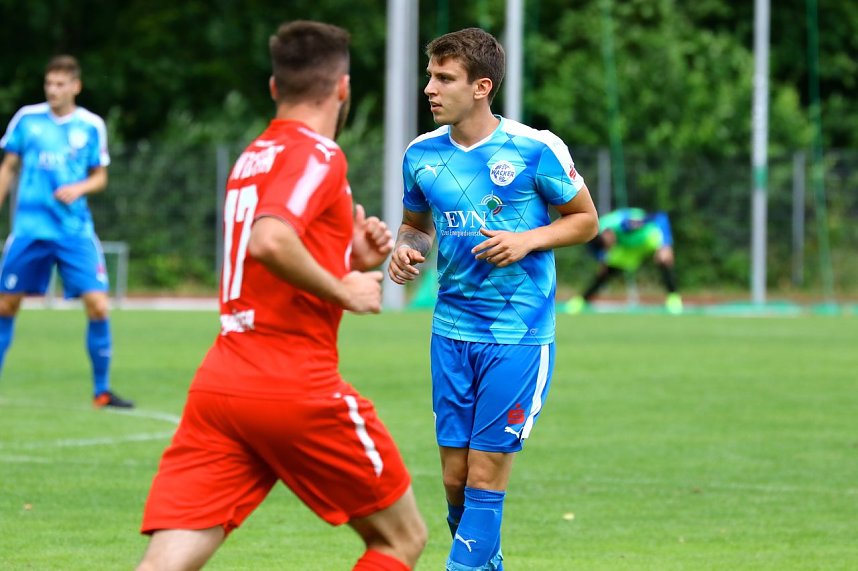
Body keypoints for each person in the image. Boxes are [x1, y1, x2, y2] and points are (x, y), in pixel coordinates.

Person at [136, 21, 426, 571]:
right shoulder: (318, 154)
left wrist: (348, 258)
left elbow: (270, 247)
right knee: (401, 539)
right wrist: (344, 287)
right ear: (342, 88)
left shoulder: (253, 156)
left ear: (274, 87)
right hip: (292, 382)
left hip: (222, 383)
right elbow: (270, 240)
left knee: (165, 563)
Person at [388, 27, 598, 571]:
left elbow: (585, 221)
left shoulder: (536, 149)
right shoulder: (421, 155)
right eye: (430, 76)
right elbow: (415, 227)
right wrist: (404, 251)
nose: (430, 89)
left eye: (444, 78)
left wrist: (528, 238)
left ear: (481, 86)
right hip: (450, 333)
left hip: (518, 337)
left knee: (486, 473)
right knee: (455, 478)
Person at [0, 55, 133, 408]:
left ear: (76, 86)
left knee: (99, 305)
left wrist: (79, 188)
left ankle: (101, 393)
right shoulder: (27, 120)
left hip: (74, 231)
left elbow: (100, 176)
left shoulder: (91, 126)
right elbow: (8, 167)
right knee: (5, 305)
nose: (53, 90)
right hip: (30, 229)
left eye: (60, 84)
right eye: (49, 84)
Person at [563, 207, 682, 314]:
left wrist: (665, 244)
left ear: (606, 234)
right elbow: (599, 250)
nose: (608, 248)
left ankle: (674, 298)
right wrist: (603, 260)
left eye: (607, 245)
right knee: (605, 271)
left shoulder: (626, 223)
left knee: (664, 260)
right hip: (626, 246)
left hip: (647, 238)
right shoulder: (597, 233)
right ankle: (581, 301)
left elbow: (661, 217)